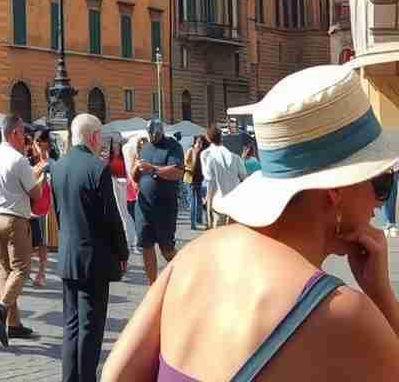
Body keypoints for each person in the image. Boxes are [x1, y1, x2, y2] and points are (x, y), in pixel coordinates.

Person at [103, 64, 399, 381]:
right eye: (380, 182)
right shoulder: (343, 314)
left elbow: (115, 374)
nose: (377, 205)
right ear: (335, 191)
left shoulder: (193, 256)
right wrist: (382, 296)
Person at [52, 114, 129, 382]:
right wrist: (123, 252)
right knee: (90, 328)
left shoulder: (58, 167)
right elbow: (111, 217)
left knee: (71, 326)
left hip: (67, 256)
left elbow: (59, 212)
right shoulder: (97, 168)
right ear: (94, 136)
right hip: (93, 260)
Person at [0, 114, 48, 345]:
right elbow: (36, 194)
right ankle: (1, 309)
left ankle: (13, 324)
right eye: (24, 135)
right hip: (14, 220)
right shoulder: (19, 160)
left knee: (4, 271)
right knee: (21, 270)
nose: (25, 140)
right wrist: (41, 177)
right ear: (15, 133)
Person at [132, 119, 184, 285]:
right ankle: (152, 285)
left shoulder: (172, 146)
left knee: (166, 249)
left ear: (161, 131)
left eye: (155, 134)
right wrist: (135, 169)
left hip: (165, 206)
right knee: (146, 246)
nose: (152, 137)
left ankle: (185, 277)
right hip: (144, 206)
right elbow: (135, 178)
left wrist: (153, 169)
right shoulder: (145, 148)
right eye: (150, 134)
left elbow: (178, 172)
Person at [200, 125, 248, 228]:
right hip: (234, 203)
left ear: (208, 138)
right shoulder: (235, 158)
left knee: (218, 237)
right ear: (222, 137)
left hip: (217, 201)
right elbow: (245, 179)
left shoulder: (206, 155)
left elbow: (208, 179)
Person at [30, 127, 55, 288]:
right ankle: (33, 271)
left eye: (41, 141)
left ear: (47, 144)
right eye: (36, 140)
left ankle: (41, 272)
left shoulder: (51, 163)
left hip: (45, 206)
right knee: (32, 243)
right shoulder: (30, 161)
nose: (37, 144)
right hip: (32, 206)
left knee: (42, 244)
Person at [187, 135, 208, 231]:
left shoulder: (203, 153)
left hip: (200, 180)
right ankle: (192, 223)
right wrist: (191, 169)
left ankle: (199, 220)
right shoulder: (190, 150)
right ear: (195, 142)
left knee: (199, 201)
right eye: (198, 142)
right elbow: (185, 163)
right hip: (191, 179)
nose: (200, 144)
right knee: (193, 202)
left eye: (201, 142)